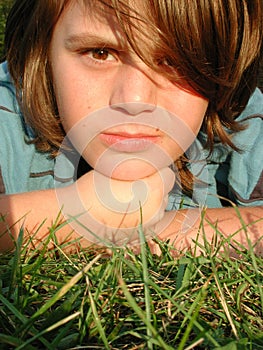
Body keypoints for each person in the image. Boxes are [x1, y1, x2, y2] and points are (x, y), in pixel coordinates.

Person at [0, 0, 262, 254]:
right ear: (42, 49)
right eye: (100, 53)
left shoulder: (244, 121)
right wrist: (72, 217)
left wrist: (173, 229)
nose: (134, 100)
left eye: (174, 60)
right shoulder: (8, 115)